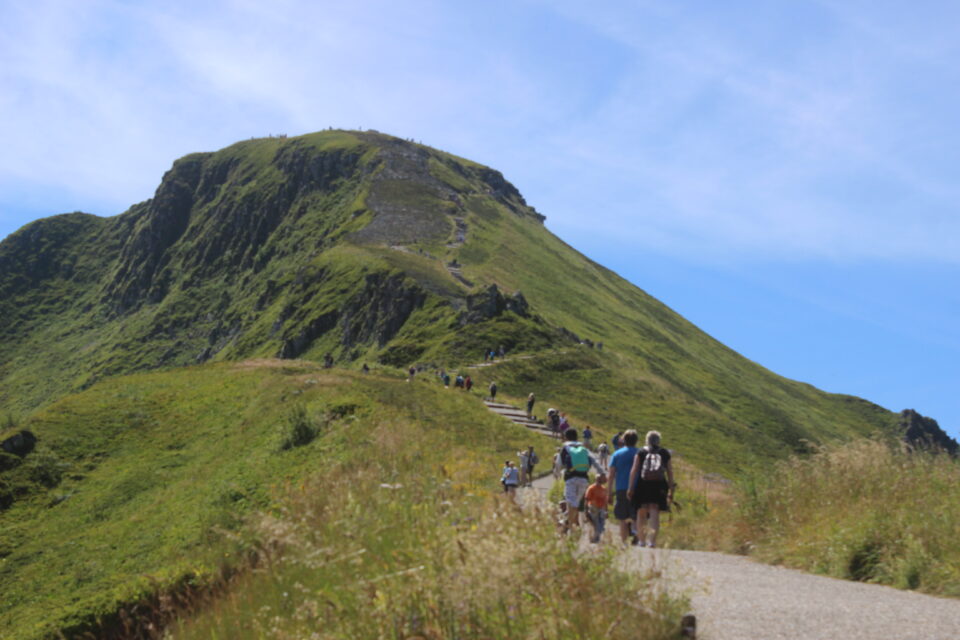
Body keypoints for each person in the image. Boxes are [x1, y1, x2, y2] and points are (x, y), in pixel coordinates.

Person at [627, 430, 674, 548]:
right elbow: (670, 472)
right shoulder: (664, 453)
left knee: (641, 512)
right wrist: (671, 489)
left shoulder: (641, 452)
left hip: (643, 485)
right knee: (654, 512)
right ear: (658, 440)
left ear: (647, 440)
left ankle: (641, 541)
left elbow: (634, 471)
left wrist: (630, 487)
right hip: (658, 485)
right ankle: (651, 542)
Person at [558, 428, 602, 534]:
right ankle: (569, 525)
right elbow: (594, 460)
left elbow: (558, 464)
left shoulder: (565, 447)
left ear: (566, 437)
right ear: (577, 437)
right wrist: (602, 473)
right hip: (583, 479)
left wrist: (558, 473)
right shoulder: (584, 448)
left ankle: (566, 524)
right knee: (575, 504)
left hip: (571, 478)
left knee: (570, 502)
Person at [607, 430, 640, 545]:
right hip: (637, 489)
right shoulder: (640, 453)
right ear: (636, 441)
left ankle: (624, 543)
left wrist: (609, 492)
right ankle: (637, 536)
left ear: (623, 440)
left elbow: (611, 475)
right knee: (636, 516)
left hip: (621, 488)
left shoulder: (617, 454)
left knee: (622, 518)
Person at [584, 473, 609, 543]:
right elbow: (587, 499)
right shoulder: (591, 488)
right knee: (596, 523)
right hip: (593, 507)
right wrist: (585, 510)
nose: (599, 481)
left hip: (601, 508)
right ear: (596, 480)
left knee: (602, 523)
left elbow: (605, 501)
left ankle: (597, 537)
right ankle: (596, 538)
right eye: (598, 479)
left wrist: (606, 511)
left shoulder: (604, 489)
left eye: (600, 479)